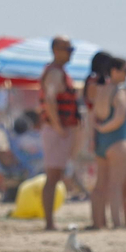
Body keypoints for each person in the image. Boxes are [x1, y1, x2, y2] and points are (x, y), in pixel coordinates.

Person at [38, 37, 81, 231]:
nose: (71, 52)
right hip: (57, 130)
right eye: (67, 49)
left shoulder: (59, 72)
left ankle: (50, 221)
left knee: (56, 175)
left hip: (59, 129)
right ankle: (49, 223)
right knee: (53, 176)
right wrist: (58, 126)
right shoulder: (55, 73)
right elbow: (50, 99)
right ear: (56, 50)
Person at [87, 53, 126, 229]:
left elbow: (94, 116)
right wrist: (104, 128)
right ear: (114, 71)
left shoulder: (101, 89)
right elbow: (120, 116)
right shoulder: (120, 91)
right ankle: (117, 223)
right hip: (117, 141)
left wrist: (97, 134)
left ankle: (97, 221)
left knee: (99, 185)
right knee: (115, 186)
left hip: (101, 143)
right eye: (125, 70)